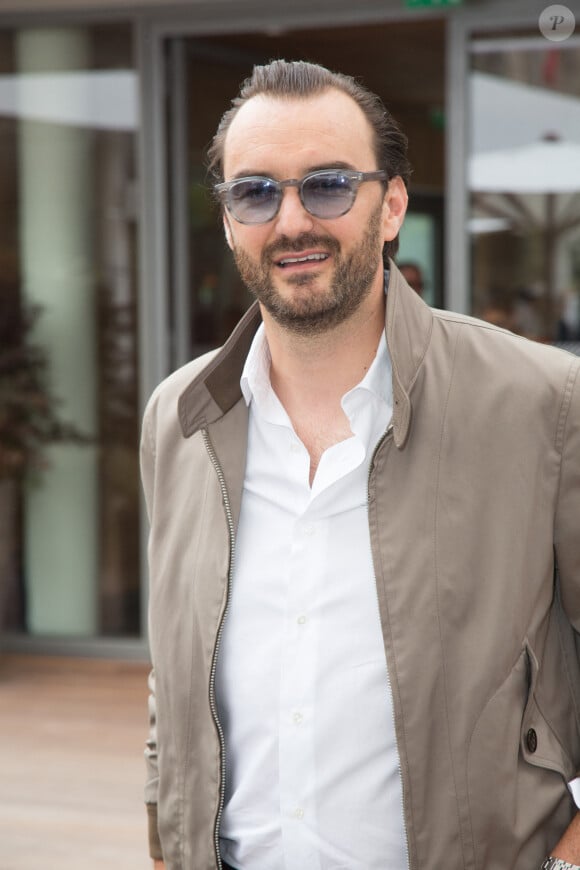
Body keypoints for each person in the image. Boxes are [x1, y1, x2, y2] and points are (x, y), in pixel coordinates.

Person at [140, 60, 580, 870]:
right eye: (256, 192)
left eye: (330, 185)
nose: (292, 220)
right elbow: (175, 673)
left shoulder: (541, 401)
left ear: (393, 207)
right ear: (232, 220)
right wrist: (167, 839)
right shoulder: (179, 417)